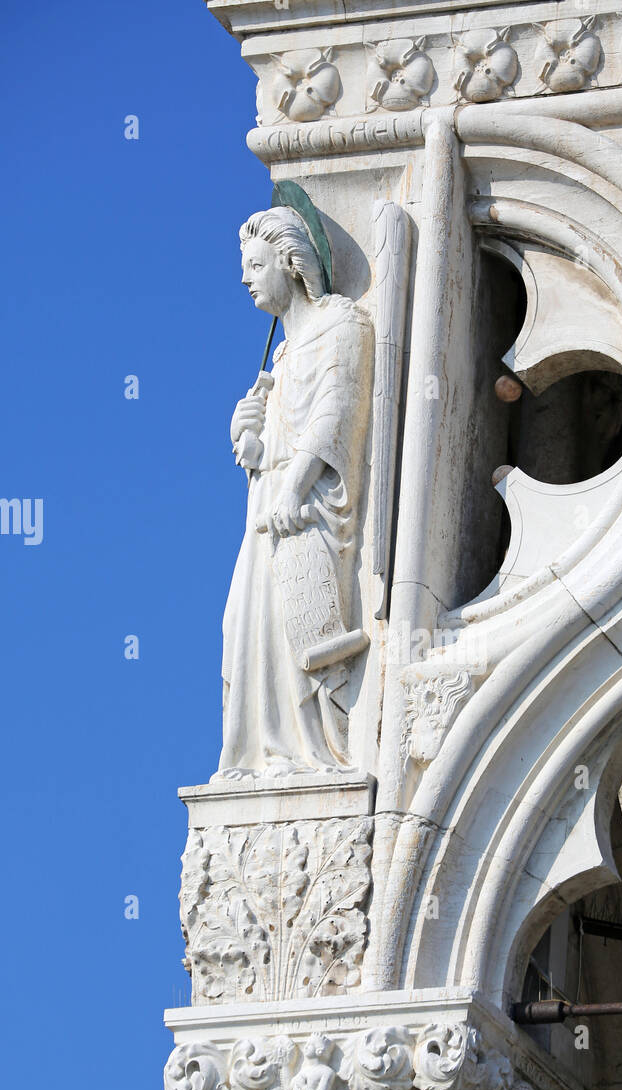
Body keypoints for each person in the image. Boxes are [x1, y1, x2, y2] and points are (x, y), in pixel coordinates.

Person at [215, 206, 374, 779]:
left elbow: (339, 411)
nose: (244, 278)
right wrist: (251, 440)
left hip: (307, 513)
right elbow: (270, 449)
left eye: (256, 265)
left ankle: (307, 753)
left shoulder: (343, 324)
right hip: (269, 511)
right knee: (241, 627)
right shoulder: (279, 357)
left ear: (290, 261)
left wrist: (294, 483)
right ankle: (261, 752)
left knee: (295, 632)